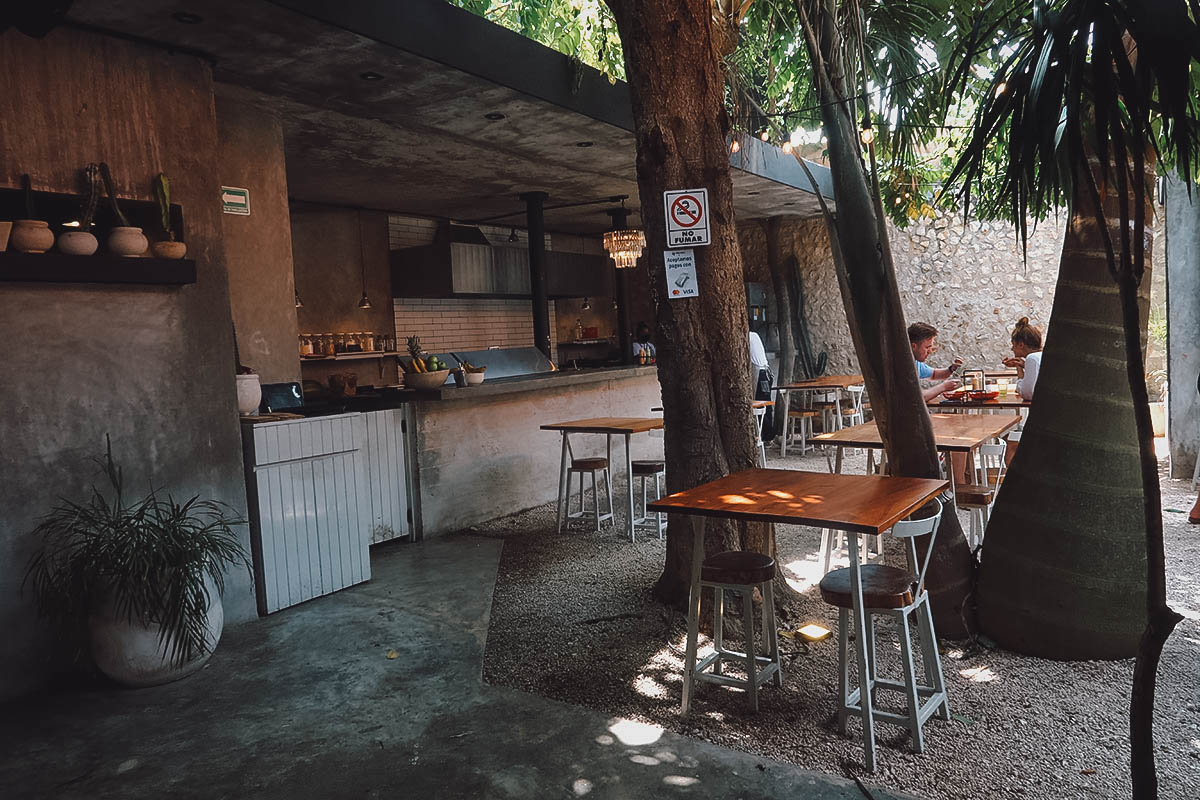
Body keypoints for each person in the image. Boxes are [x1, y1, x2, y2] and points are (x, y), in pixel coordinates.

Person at [909, 322, 962, 401]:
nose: (930, 351)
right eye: (927, 347)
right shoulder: (903, 365)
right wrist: (943, 387)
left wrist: (951, 369)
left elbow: (934, 374)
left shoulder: (916, 363)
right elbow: (916, 397)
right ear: (914, 346)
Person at [1002, 316, 1043, 400]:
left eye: (1013, 345)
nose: (1012, 349)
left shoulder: (1032, 358)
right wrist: (1024, 365)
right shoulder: (1041, 355)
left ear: (1021, 345)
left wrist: (1019, 368)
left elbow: (1027, 394)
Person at [749, 330, 774, 439]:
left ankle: (768, 435)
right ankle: (768, 435)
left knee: (760, 407)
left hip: (760, 375)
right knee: (766, 406)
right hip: (767, 373)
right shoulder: (754, 335)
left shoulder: (746, 337)